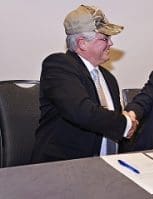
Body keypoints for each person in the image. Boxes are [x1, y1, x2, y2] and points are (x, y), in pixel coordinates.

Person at [31, 5, 137, 163]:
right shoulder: (59, 66)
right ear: (82, 43)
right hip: (64, 169)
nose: (111, 43)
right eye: (105, 38)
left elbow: (111, 123)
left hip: (109, 169)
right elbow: (82, 111)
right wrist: (126, 123)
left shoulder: (109, 79)